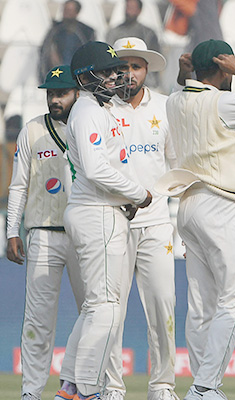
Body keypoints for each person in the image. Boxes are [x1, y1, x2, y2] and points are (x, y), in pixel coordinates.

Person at [158, 39, 235, 400]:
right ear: (222, 68)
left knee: (201, 305)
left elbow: (185, 92)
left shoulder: (174, 101)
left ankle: (202, 385)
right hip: (221, 203)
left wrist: (186, 75)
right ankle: (205, 386)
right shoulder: (224, 101)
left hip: (188, 205)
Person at [53, 41, 153, 400]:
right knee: (107, 307)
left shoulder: (97, 109)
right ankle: (88, 388)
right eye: (107, 71)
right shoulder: (88, 111)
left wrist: (124, 196)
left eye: (116, 70)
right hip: (97, 213)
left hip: (98, 210)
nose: (116, 76)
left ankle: (69, 386)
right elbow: (96, 170)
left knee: (97, 306)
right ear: (84, 77)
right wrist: (138, 193)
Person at [101, 37, 178, 400]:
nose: (128, 73)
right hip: (111, 221)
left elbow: (176, 165)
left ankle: (162, 385)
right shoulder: (99, 108)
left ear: (147, 69)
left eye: (136, 66)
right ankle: (112, 386)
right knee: (110, 310)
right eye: (122, 66)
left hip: (157, 221)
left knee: (163, 303)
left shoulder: (165, 107)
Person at [7, 65, 85, 400]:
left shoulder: (90, 125)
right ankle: (31, 393)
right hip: (42, 232)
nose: (55, 99)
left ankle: (97, 387)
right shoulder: (32, 130)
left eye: (62, 93)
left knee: (96, 312)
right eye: (51, 93)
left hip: (86, 232)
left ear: (77, 93)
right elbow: (18, 185)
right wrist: (12, 230)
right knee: (38, 321)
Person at [39, 0, 95, 79]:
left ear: (77, 12)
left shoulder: (86, 31)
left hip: (78, 74)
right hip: (57, 73)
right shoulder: (55, 29)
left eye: (69, 10)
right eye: (64, 9)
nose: (66, 13)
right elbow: (45, 49)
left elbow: (91, 53)